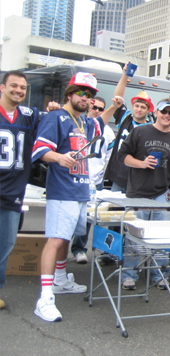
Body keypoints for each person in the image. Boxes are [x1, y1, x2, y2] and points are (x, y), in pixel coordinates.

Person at [31, 72, 122, 322]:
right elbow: (40, 149)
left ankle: (60, 280)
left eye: (90, 95)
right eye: (81, 92)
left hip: (81, 191)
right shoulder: (56, 117)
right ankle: (45, 297)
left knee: (65, 238)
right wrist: (58, 157)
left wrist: (122, 83)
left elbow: (105, 117)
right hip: (62, 191)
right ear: (69, 93)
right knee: (55, 239)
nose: (86, 98)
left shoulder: (84, 122)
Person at [118, 99, 170, 290]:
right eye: (164, 111)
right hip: (137, 193)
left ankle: (159, 274)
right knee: (133, 236)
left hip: (162, 194)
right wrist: (142, 163)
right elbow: (122, 156)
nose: (167, 115)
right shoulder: (139, 131)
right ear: (156, 112)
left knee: (160, 237)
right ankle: (129, 275)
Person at [0, 71, 44, 310]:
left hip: (13, 189)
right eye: (14, 86)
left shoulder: (28, 115)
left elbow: (54, 120)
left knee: (5, 244)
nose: (18, 90)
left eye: (23, 88)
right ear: (2, 87)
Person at [70, 97, 115, 264]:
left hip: (95, 181)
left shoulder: (108, 132)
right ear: (88, 107)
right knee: (71, 217)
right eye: (94, 107)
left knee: (90, 218)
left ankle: (81, 248)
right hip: (75, 179)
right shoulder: (77, 124)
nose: (97, 110)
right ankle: (68, 249)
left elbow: (108, 157)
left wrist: (100, 178)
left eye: (101, 109)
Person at [105, 63, 155, 194]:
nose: (139, 109)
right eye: (137, 106)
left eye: (143, 107)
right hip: (118, 174)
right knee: (114, 209)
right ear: (132, 106)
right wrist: (125, 75)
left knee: (131, 212)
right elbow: (118, 99)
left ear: (148, 110)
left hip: (136, 177)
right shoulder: (125, 119)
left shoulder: (151, 129)